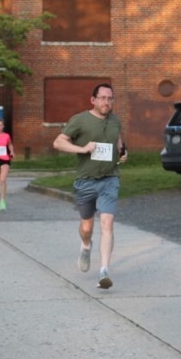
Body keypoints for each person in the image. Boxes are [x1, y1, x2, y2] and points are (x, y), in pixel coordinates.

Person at [52, 83, 127, 289]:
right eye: (102, 98)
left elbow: (119, 144)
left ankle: (104, 272)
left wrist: (123, 154)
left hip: (110, 179)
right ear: (93, 100)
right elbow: (58, 142)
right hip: (86, 181)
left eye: (110, 98)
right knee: (87, 227)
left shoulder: (115, 120)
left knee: (107, 224)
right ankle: (86, 245)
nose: (106, 102)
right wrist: (83, 149)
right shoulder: (80, 120)